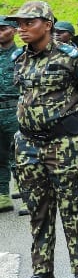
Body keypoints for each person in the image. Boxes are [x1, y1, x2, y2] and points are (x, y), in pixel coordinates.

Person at [8, 1, 78, 278]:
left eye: (28, 23)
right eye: (19, 24)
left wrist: (67, 123)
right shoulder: (18, 59)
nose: (21, 28)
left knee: (73, 208)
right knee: (38, 210)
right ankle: (42, 273)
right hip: (28, 144)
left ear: (47, 24)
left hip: (65, 145)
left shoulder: (73, 58)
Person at [0, 17, 18, 213]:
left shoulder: (21, 56)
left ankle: (26, 196)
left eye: (3, 29)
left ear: (13, 31)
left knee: (19, 155)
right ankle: (3, 195)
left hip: (14, 110)